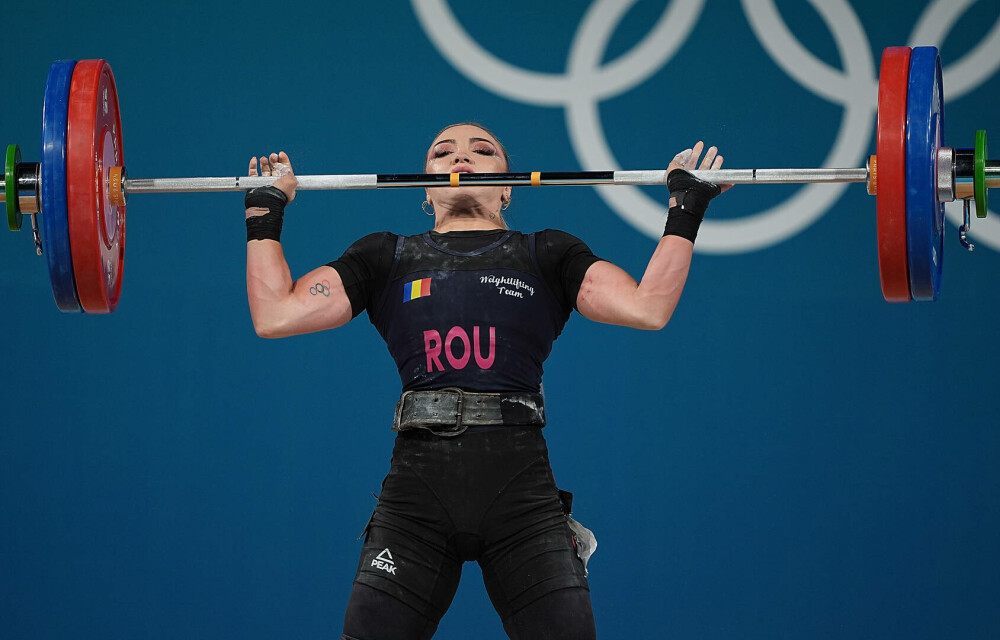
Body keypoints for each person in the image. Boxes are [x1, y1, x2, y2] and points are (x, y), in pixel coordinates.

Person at [244, 124, 729, 640]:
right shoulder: (384, 257)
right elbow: (275, 314)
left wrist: (686, 208)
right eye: (443, 152)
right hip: (416, 498)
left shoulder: (548, 254)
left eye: (483, 151)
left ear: (508, 187)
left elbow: (647, 307)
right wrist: (265, 212)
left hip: (521, 496)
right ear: (425, 191)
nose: (462, 157)